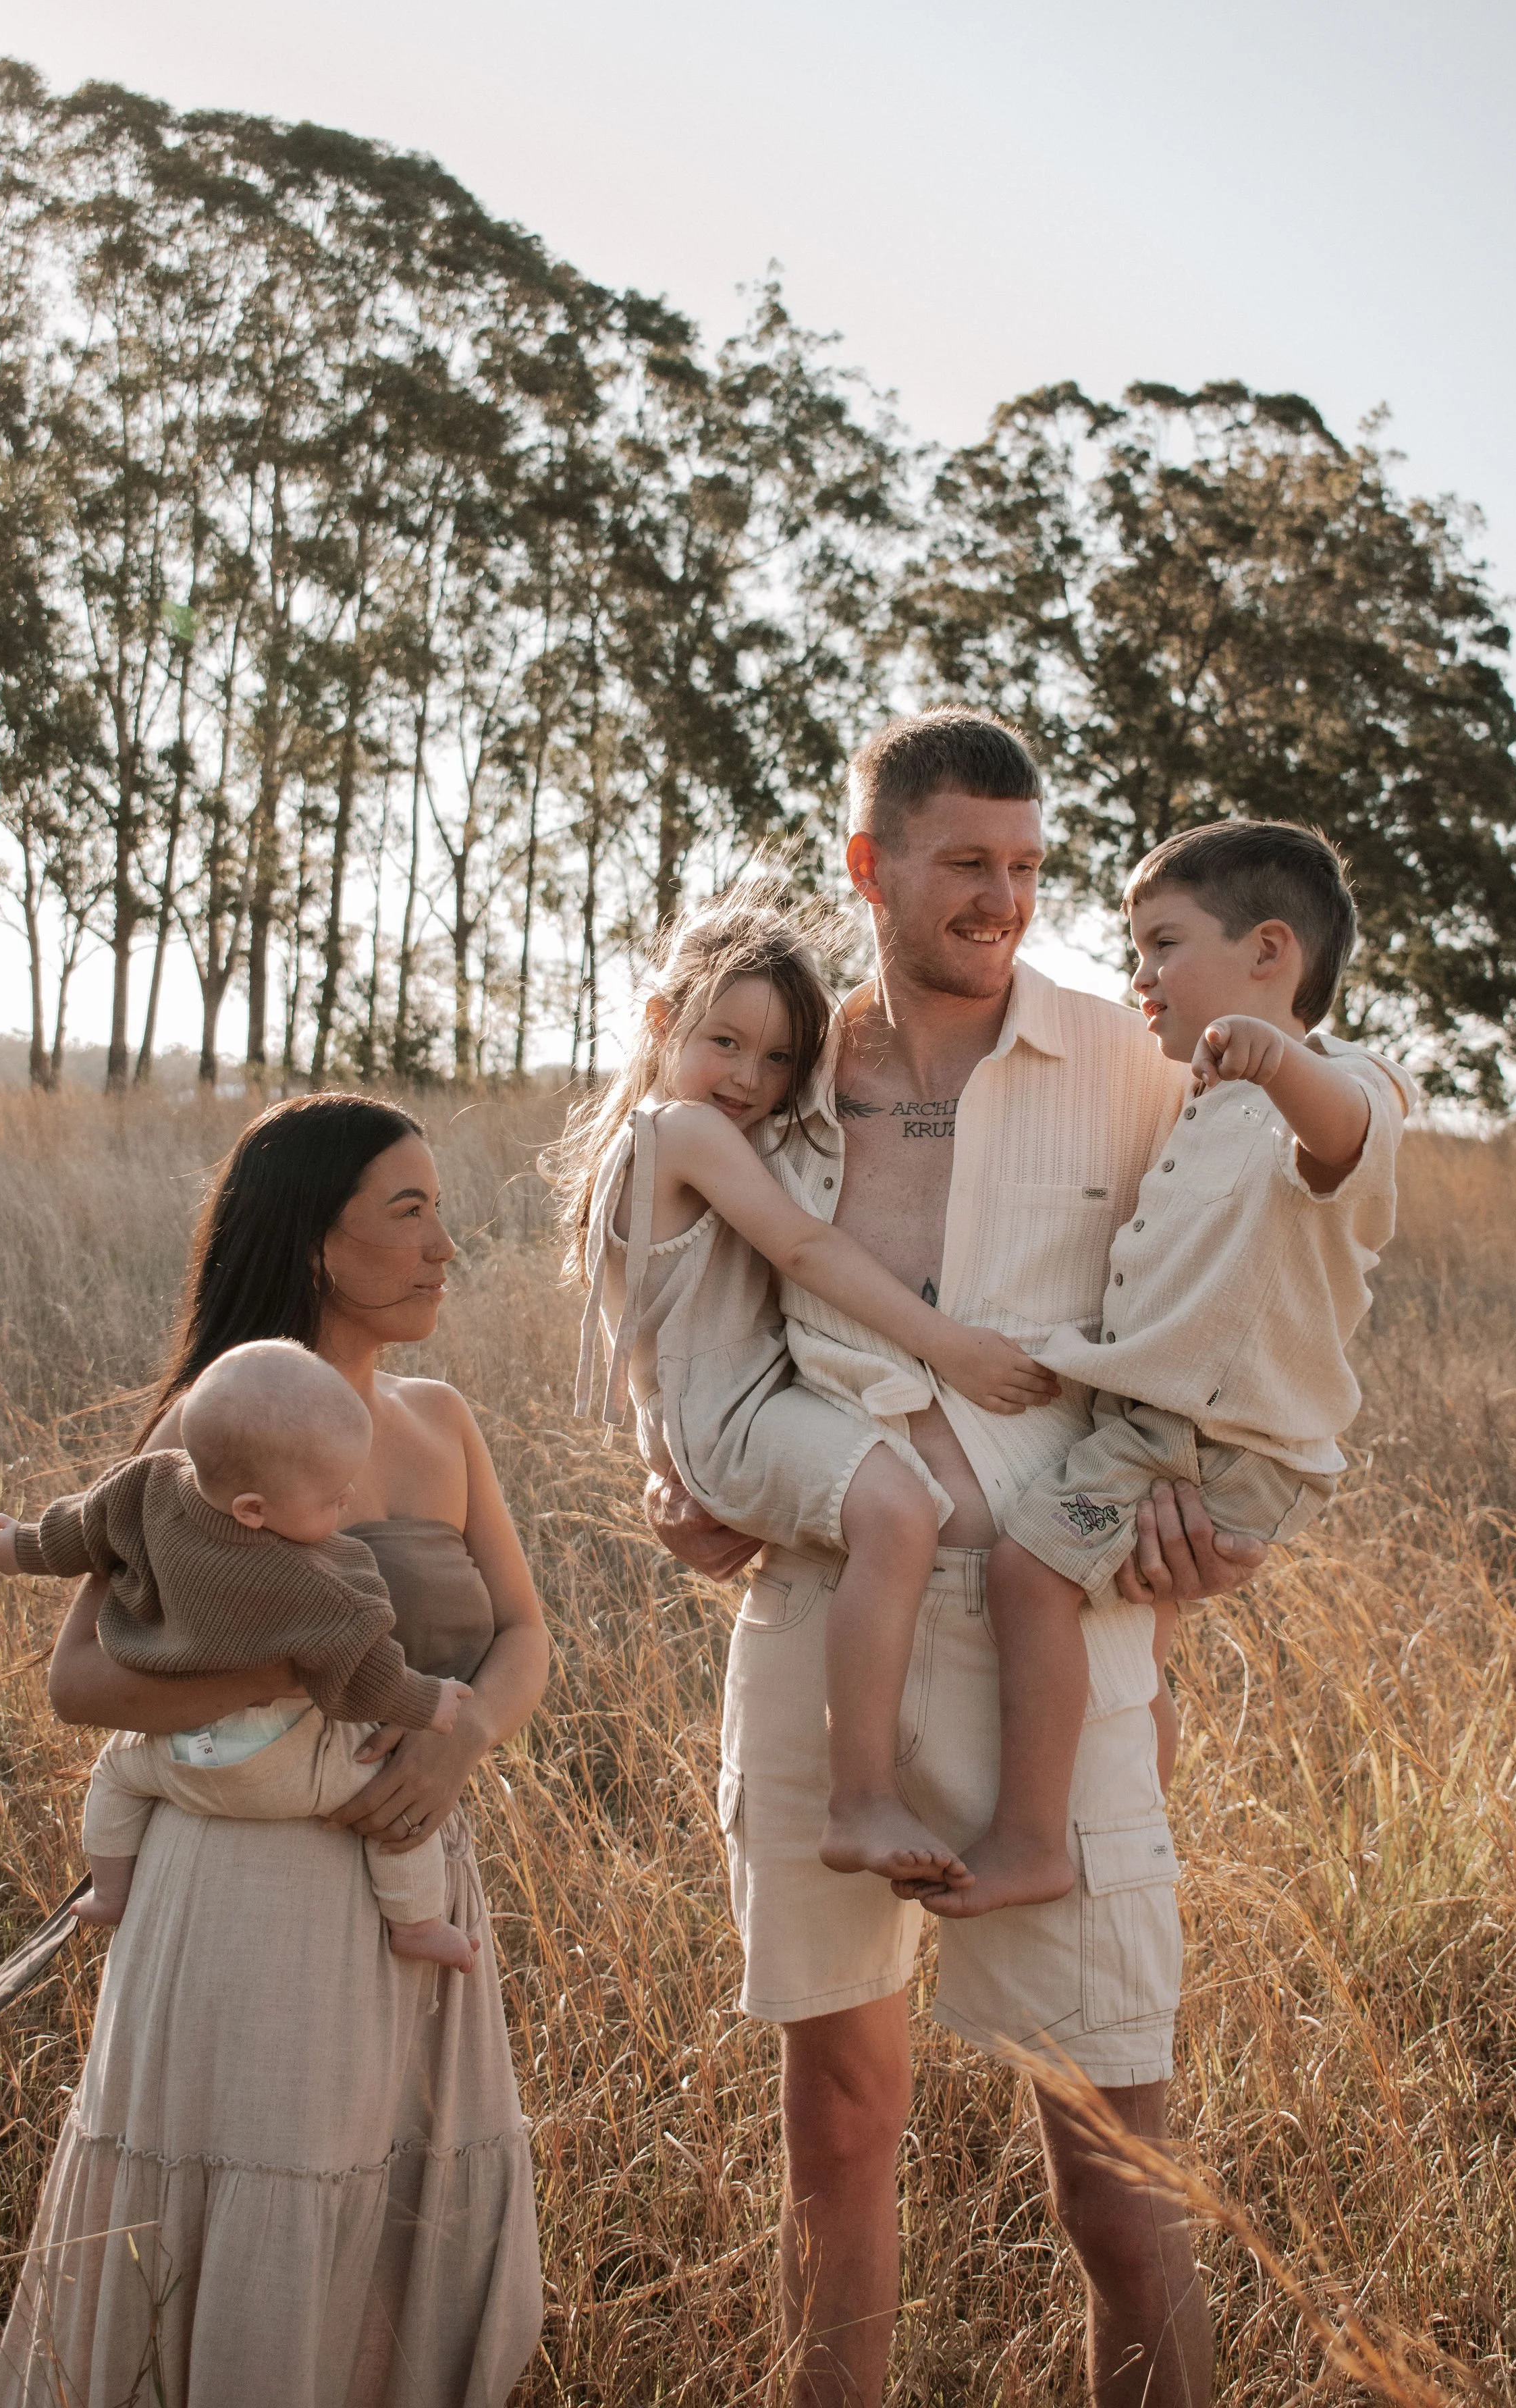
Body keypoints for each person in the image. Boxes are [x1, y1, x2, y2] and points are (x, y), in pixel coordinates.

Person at [647, 707, 1266, 2408]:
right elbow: (688, 1337)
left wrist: (1212, 1520)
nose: (1001, 899)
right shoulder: (768, 1070)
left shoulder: (1126, 1061)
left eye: (1023, 865)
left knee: (1116, 2175)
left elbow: (1242, 1298)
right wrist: (674, 1479)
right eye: (962, 866)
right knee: (836, 2135)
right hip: (818, 1636)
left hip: (1048, 1643)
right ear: (870, 867)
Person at [0, 1094, 548, 2408]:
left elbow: (523, 1635)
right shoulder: (219, 1427)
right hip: (251, 1903)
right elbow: (80, 1680)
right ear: (314, 1244)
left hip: (413, 1865)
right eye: (409, 1214)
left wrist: (457, 1750)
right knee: (260, 2231)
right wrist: (312, 1656)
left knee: (394, 2241)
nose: (444, 1246)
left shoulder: (441, 1420)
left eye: (441, 1213)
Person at [914, 820, 1416, 1915]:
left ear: (1269, 954)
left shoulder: (1332, 1085)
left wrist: (1275, 1056)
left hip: (1215, 1440)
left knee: (1025, 1576)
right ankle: (1127, 1831)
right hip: (1173, 1424)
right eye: (1135, 951)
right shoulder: (1201, 1099)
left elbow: (1343, 1140)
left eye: (1163, 946)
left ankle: (1035, 1839)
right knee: (1134, 1652)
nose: (1140, 978)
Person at [554, 880, 1059, 1892]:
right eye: (725, 1042)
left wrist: (663, 1455)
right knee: (902, 1510)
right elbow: (802, 1247)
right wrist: (950, 1347)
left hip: (728, 1416)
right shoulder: (679, 1133)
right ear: (662, 1023)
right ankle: (859, 1796)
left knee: (900, 1503)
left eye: (781, 1056)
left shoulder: (694, 1136)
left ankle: (879, 1785)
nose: (750, 1076)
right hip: (734, 1422)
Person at [0, 1338, 479, 1971]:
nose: (346, 1501)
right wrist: (427, 1701)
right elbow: (366, 1675)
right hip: (281, 1772)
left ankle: (109, 1890)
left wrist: (17, 1547)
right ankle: (417, 1923)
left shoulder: (149, 1487)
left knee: (112, 1777)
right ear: (254, 1510)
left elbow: (79, 1531)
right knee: (395, 1811)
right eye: (332, 1497)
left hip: (176, 1759)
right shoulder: (318, 1584)